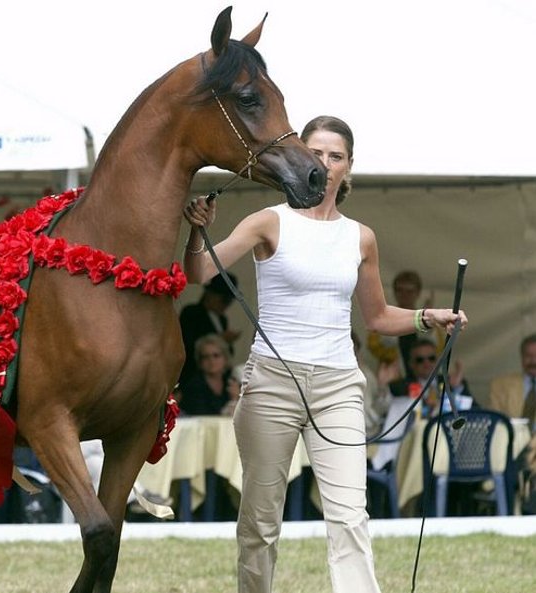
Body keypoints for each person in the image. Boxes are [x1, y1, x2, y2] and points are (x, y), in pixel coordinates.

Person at [182, 115, 467, 593]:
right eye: (316, 153)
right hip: (272, 380)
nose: (326, 164)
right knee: (260, 520)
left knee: (349, 516)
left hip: (338, 384)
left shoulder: (360, 236)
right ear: (299, 158)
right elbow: (199, 273)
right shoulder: (268, 221)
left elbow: (376, 317)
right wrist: (197, 232)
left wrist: (427, 317)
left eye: (336, 156)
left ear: (349, 167)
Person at [486, 333, 536, 513]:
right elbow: (494, 420)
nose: (533, 361)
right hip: (510, 448)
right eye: (528, 356)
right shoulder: (500, 384)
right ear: (521, 358)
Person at [366, 270, 442, 379]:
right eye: (399, 290)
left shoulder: (427, 319)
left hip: (424, 380)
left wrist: (427, 321)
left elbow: (437, 348)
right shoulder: (383, 318)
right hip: (394, 378)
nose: (404, 295)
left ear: (418, 293)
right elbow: (373, 346)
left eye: (409, 291)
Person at [178, 273, 241, 385]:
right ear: (210, 294)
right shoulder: (191, 312)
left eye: (229, 301)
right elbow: (187, 344)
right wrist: (219, 339)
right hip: (193, 376)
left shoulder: (222, 319)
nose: (226, 305)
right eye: (224, 300)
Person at [387, 337, 473, 418]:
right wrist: (383, 386)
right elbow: (387, 412)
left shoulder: (452, 381)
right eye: (420, 360)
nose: (426, 363)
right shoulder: (400, 387)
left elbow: (474, 410)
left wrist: (456, 388)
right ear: (411, 364)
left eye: (431, 358)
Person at [177, 333, 235, 416]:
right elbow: (204, 417)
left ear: (225, 358)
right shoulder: (193, 386)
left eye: (216, 355)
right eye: (206, 357)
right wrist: (233, 402)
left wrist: (237, 398)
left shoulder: (231, 382)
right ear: (200, 361)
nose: (211, 361)